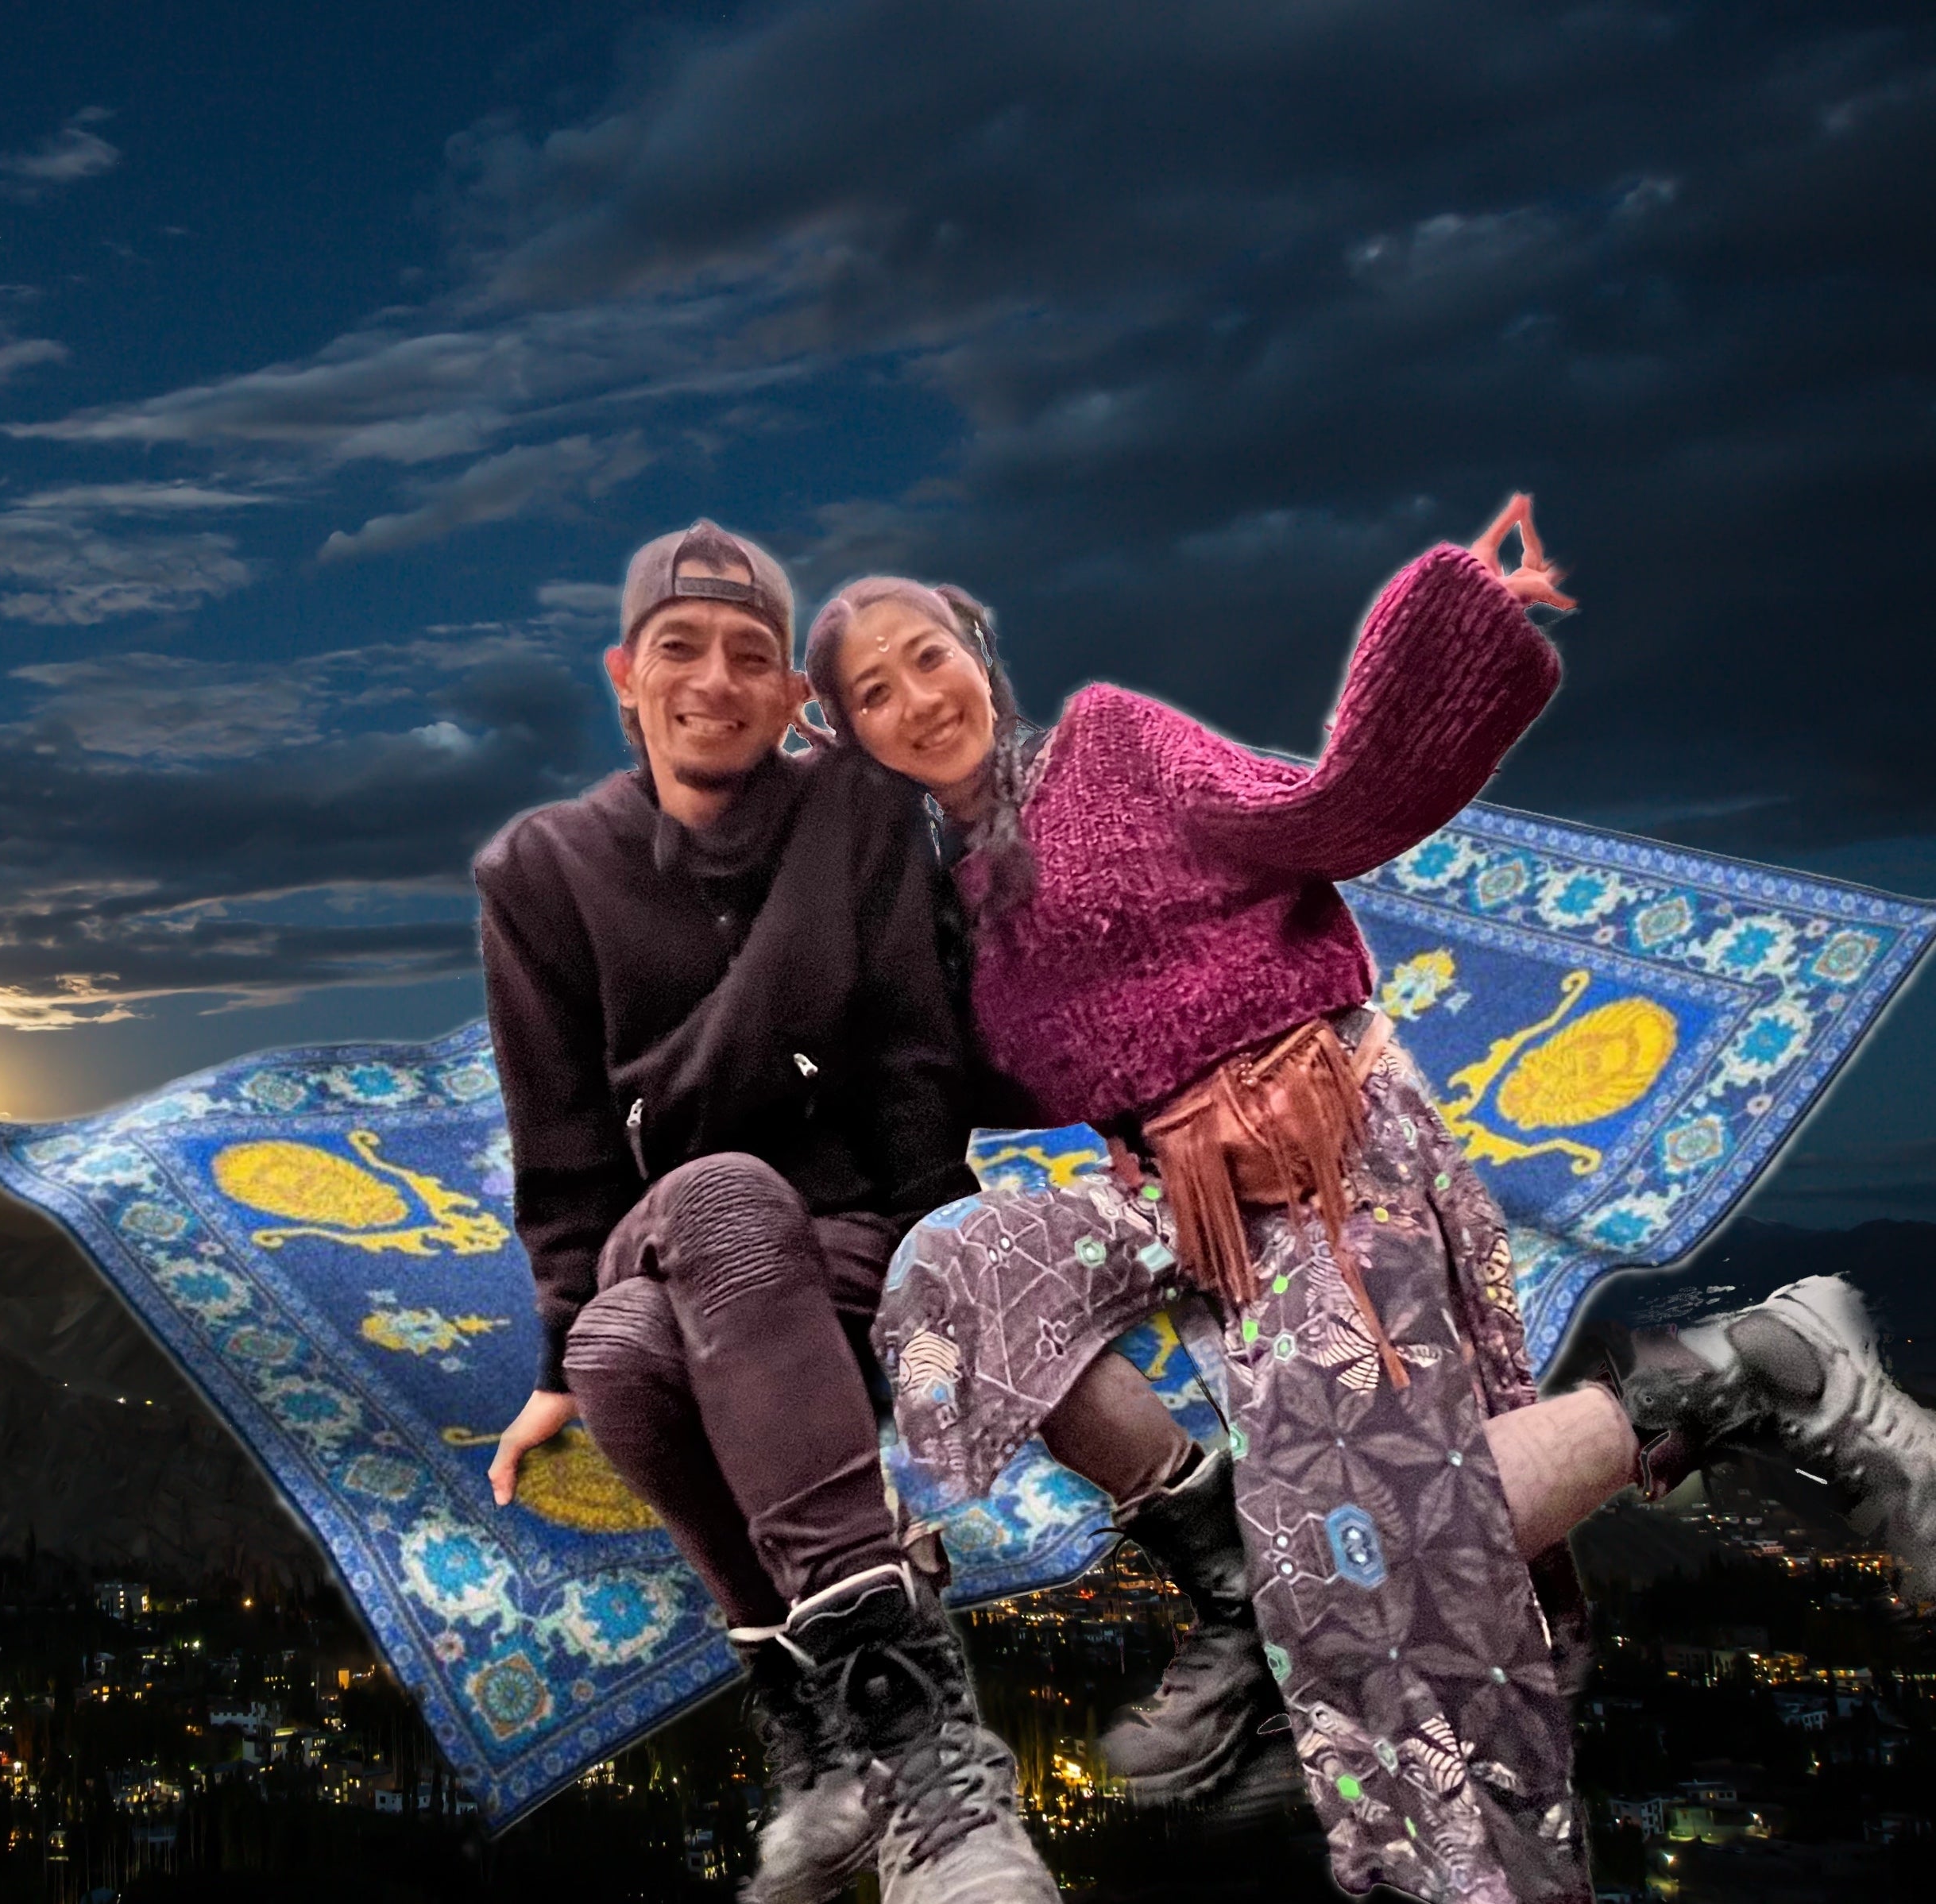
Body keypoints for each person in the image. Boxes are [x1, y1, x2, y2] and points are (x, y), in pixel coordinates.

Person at [800, 497, 1936, 1904]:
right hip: (1182, 1194)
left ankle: (1740, 1368)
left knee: (1378, 1562)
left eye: (928, 656)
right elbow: (946, 1072)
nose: (918, 698)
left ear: (977, 651)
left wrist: (1457, 619)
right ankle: (1226, 1560)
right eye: (874, 692)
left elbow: (1318, 814)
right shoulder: (950, 901)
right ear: (850, 733)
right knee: (957, 1268)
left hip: (1329, 1151)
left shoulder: (1110, 742)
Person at [473, 520, 1057, 1904]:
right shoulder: (542, 871)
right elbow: (562, 1141)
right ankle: (927, 1758)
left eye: (751, 655)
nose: (713, 679)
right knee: (701, 1213)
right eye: (679, 648)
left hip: (846, 1234)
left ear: (793, 695)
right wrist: (545, 1352)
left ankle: (818, 1735)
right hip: (664, 1225)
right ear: (626, 674)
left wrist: (946, 1252)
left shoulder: (855, 812)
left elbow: (913, 1051)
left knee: (625, 1352)